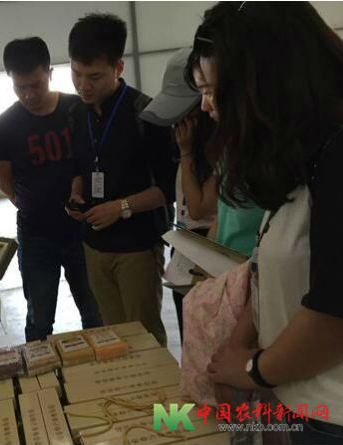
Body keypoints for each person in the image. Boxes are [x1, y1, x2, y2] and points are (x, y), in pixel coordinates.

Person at [187, 3, 343, 443]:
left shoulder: (337, 158)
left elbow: (332, 319)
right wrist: (238, 346)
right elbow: (265, 270)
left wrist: (251, 368)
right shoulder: (301, 158)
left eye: (214, 91)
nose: (208, 107)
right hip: (297, 405)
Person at [66, 13, 178, 347]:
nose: (83, 86)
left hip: (137, 248)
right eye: (76, 73)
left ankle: (156, 386)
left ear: (118, 68)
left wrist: (121, 207)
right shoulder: (76, 113)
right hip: (93, 245)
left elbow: (169, 188)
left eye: (94, 77)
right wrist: (75, 194)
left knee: (145, 339)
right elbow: (79, 167)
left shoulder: (147, 114)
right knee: (114, 339)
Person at [0, 37, 102, 341]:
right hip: (36, 235)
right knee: (39, 320)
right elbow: (4, 182)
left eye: (36, 85)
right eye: (20, 87)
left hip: (83, 231)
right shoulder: (4, 125)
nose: (28, 94)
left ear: (50, 73)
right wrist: (34, 205)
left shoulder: (76, 109)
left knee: (95, 312)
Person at [140, 47, 217, 343]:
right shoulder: (191, 143)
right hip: (185, 244)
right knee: (190, 338)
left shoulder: (219, 150)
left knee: (206, 339)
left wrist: (185, 153)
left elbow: (198, 208)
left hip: (207, 245)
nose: (178, 125)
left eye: (184, 116)